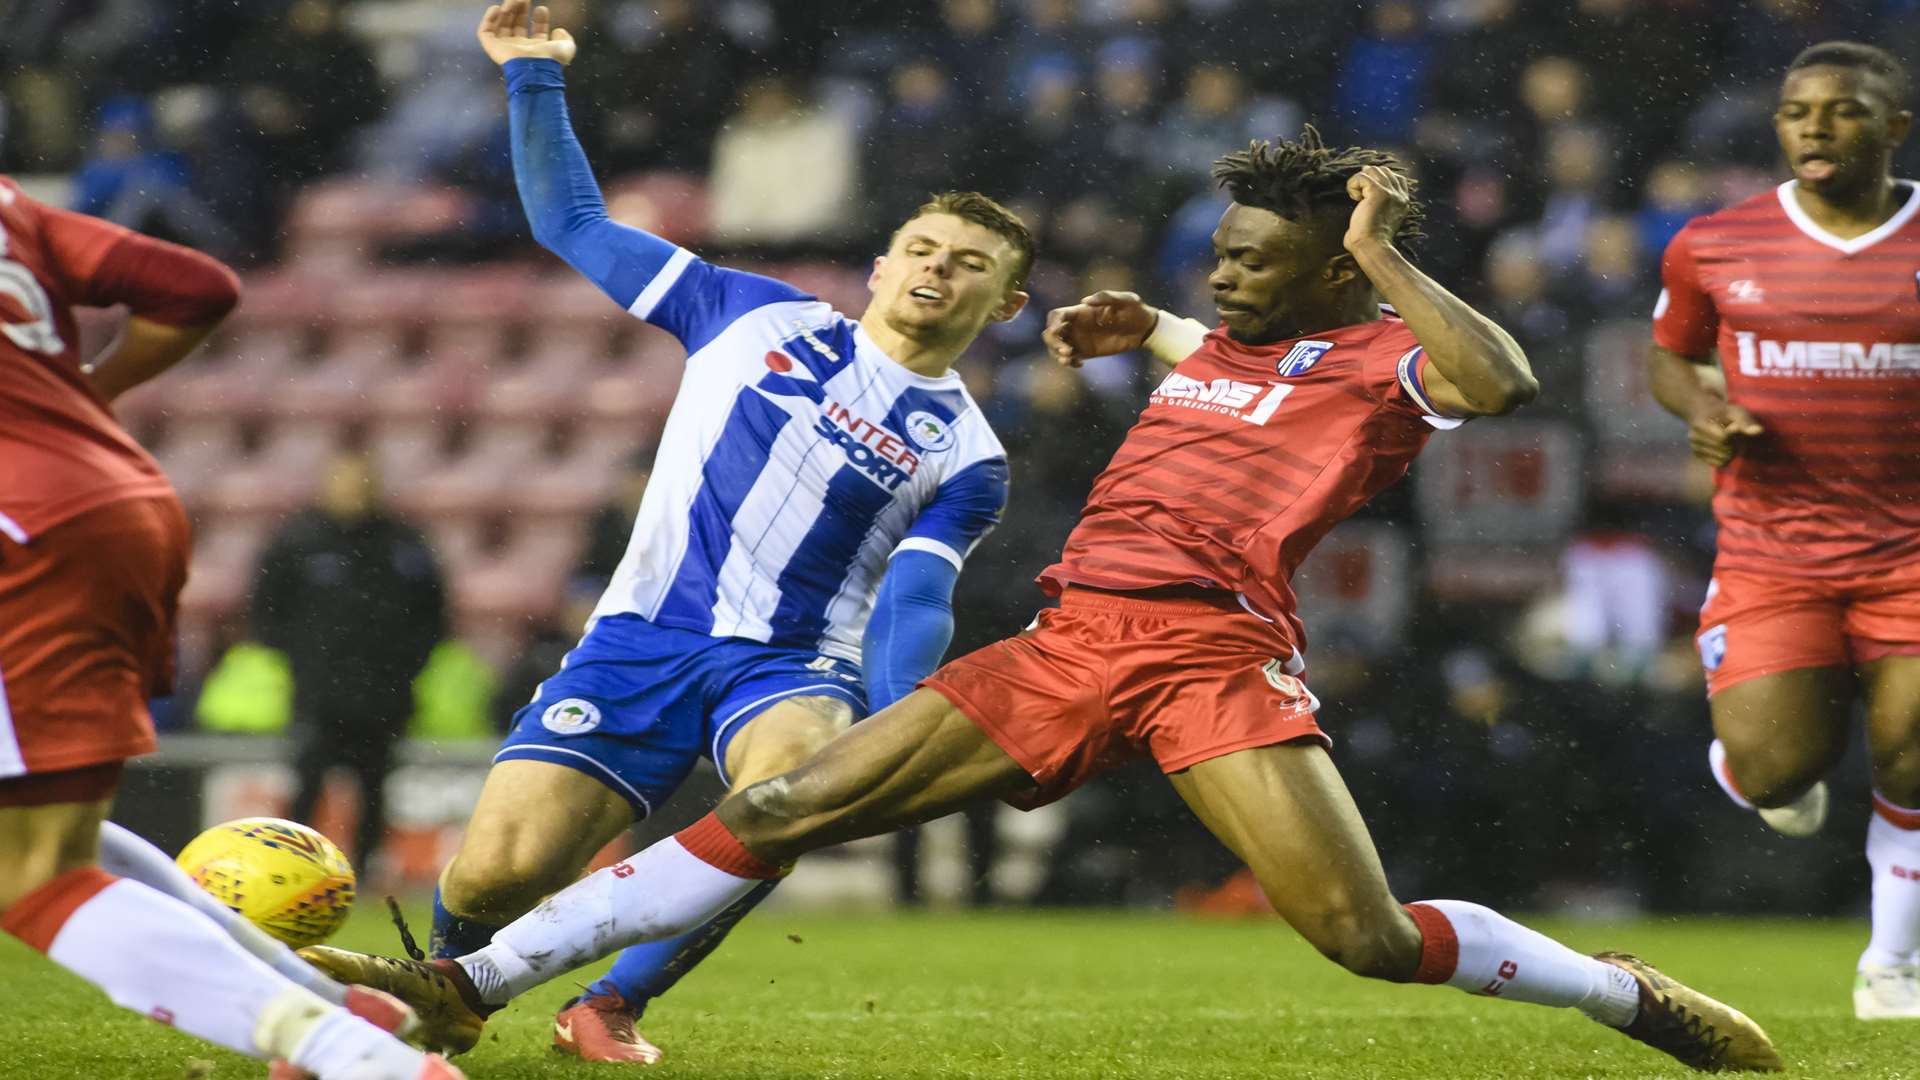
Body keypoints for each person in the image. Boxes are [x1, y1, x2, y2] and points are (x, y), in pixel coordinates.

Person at [304, 100, 1783, 1073]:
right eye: (1224, 255)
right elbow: (1212, 370)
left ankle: (1619, 995)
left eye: (1261, 261)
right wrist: (1150, 326)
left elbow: (1501, 378)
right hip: (1070, 639)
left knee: (1366, 940)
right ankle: (478, 988)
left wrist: (1380, 253)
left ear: (1334, 271)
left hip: (1218, 659)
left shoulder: (1379, 364)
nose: (1229, 277)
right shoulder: (1214, 353)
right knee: (774, 807)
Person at [318, 0, 1028, 1065]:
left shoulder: (968, 453)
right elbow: (573, 228)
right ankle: (450, 989)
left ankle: (608, 1004)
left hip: (792, 667)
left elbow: (918, 595)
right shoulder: (751, 313)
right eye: (921, 246)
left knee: (787, 793)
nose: (938, 267)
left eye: (971, 262)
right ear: (879, 265)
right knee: (494, 870)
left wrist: (895, 720)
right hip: (645, 636)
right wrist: (534, 76)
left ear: (1007, 303)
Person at [0, 178, 458, 1080]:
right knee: (40, 830)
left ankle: (354, 1055)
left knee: (35, 873)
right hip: (114, 495)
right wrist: (81, 398)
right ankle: (334, 1002)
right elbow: (197, 287)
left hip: (19, 526)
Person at [1645, 41, 1920, 1020]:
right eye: (1799, 111)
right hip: (1776, 550)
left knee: (1913, 751)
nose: (1815, 126)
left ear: (1894, 126)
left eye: (1843, 110)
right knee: (1777, 772)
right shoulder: (1716, 243)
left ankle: (1893, 964)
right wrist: (1703, 412)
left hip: (1913, 552)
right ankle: (1751, 767)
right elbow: (1670, 356)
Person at [251, 447, 449, 872]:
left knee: (376, 786)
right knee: (307, 782)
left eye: (362, 483)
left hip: (384, 691)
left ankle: (364, 871)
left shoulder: (403, 543)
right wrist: (304, 660)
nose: (354, 493)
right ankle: (290, 866)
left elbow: (433, 614)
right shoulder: (298, 541)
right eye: (344, 483)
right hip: (318, 693)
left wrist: (405, 665)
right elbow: (266, 610)